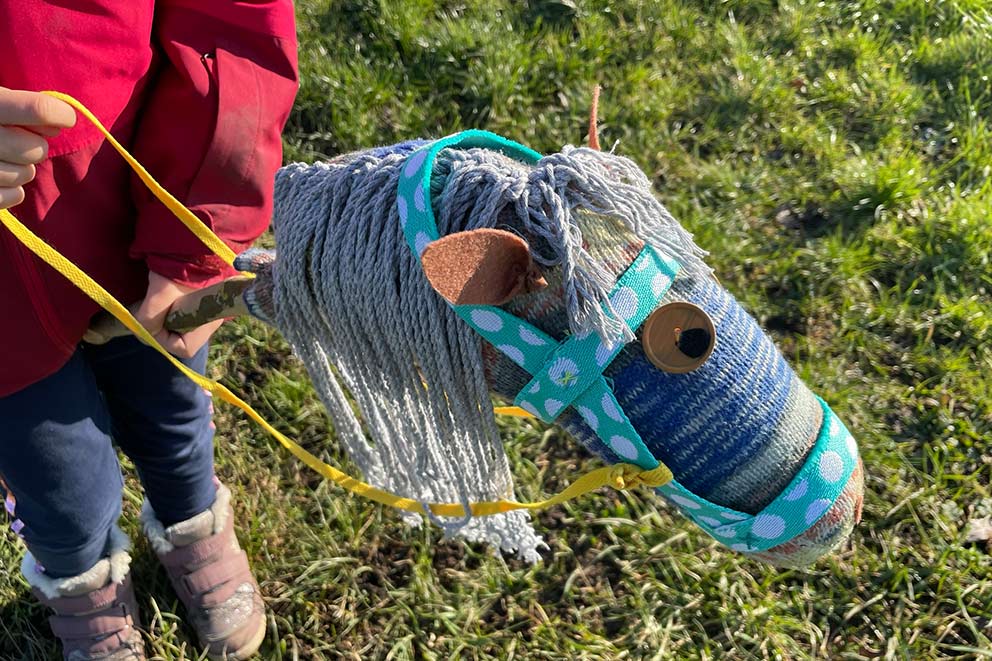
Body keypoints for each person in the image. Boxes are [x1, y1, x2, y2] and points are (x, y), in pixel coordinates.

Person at [0, 2, 298, 659]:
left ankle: (192, 521)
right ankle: (81, 582)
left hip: (137, 208)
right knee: (56, 480)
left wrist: (198, 230)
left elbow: (234, 22)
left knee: (172, 405)